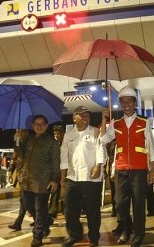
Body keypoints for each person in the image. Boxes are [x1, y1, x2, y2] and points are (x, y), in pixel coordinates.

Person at [105, 86, 154, 247]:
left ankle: (138, 236)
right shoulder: (116, 123)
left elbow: (151, 146)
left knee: (138, 204)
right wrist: (104, 120)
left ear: (135, 103)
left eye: (129, 101)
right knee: (120, 203)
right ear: (120, 104)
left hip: (139, 169)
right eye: (123, 101)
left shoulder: (144, 122)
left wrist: (153, 168)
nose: (126, 104)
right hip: (121, 168)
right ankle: (126, 229)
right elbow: (103, 140)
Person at [60, 106, 106, 247]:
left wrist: (98, 166)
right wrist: (63, 178)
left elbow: (101, 149)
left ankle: (93, 238)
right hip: (72, 178)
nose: (86, 117)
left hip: (91, 178)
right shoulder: (68, 135)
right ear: (74, 118)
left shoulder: (95, 131)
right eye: (82, 115)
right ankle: (74, 235)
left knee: (92, 211)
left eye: (87, 115)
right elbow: (64, 157)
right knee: (70, 210)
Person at [15, 115, 60, 247]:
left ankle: (38, 236)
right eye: (36, 124)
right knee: (27, 204)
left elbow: (55, 162)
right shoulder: (29, 140)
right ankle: (45, 223)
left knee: (40, 209)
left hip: (42, 181)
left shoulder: (51, 142)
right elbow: (21, 154)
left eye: (42, 124)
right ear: (33, 126)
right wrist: (18, 141)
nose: (39, 126)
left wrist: (54, 179)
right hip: (27, 180)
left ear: (46, 126)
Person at [8, 129, 31, 232]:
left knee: (26, 201)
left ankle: (44, 221)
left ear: (26, 132)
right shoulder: (21, 144)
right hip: (22, 177)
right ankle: (18, 223)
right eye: (18, 132)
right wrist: (10, 171)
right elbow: (14, 158)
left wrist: (17, 141)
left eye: (21, 132)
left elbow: (21, 154)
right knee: (24, 201)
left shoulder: (30, 143)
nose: (18, 134)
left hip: (30, 177)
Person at [48, 124, 65, 219]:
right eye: (55, 133)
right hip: (56, 172)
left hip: (65, 171)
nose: (57, 135)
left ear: (63, 134)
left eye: (58, 133)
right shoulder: (54, 144)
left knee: (67, 192)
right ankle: (52, 212)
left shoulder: (66, 144)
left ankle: (67, 210)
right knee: (54, 191)